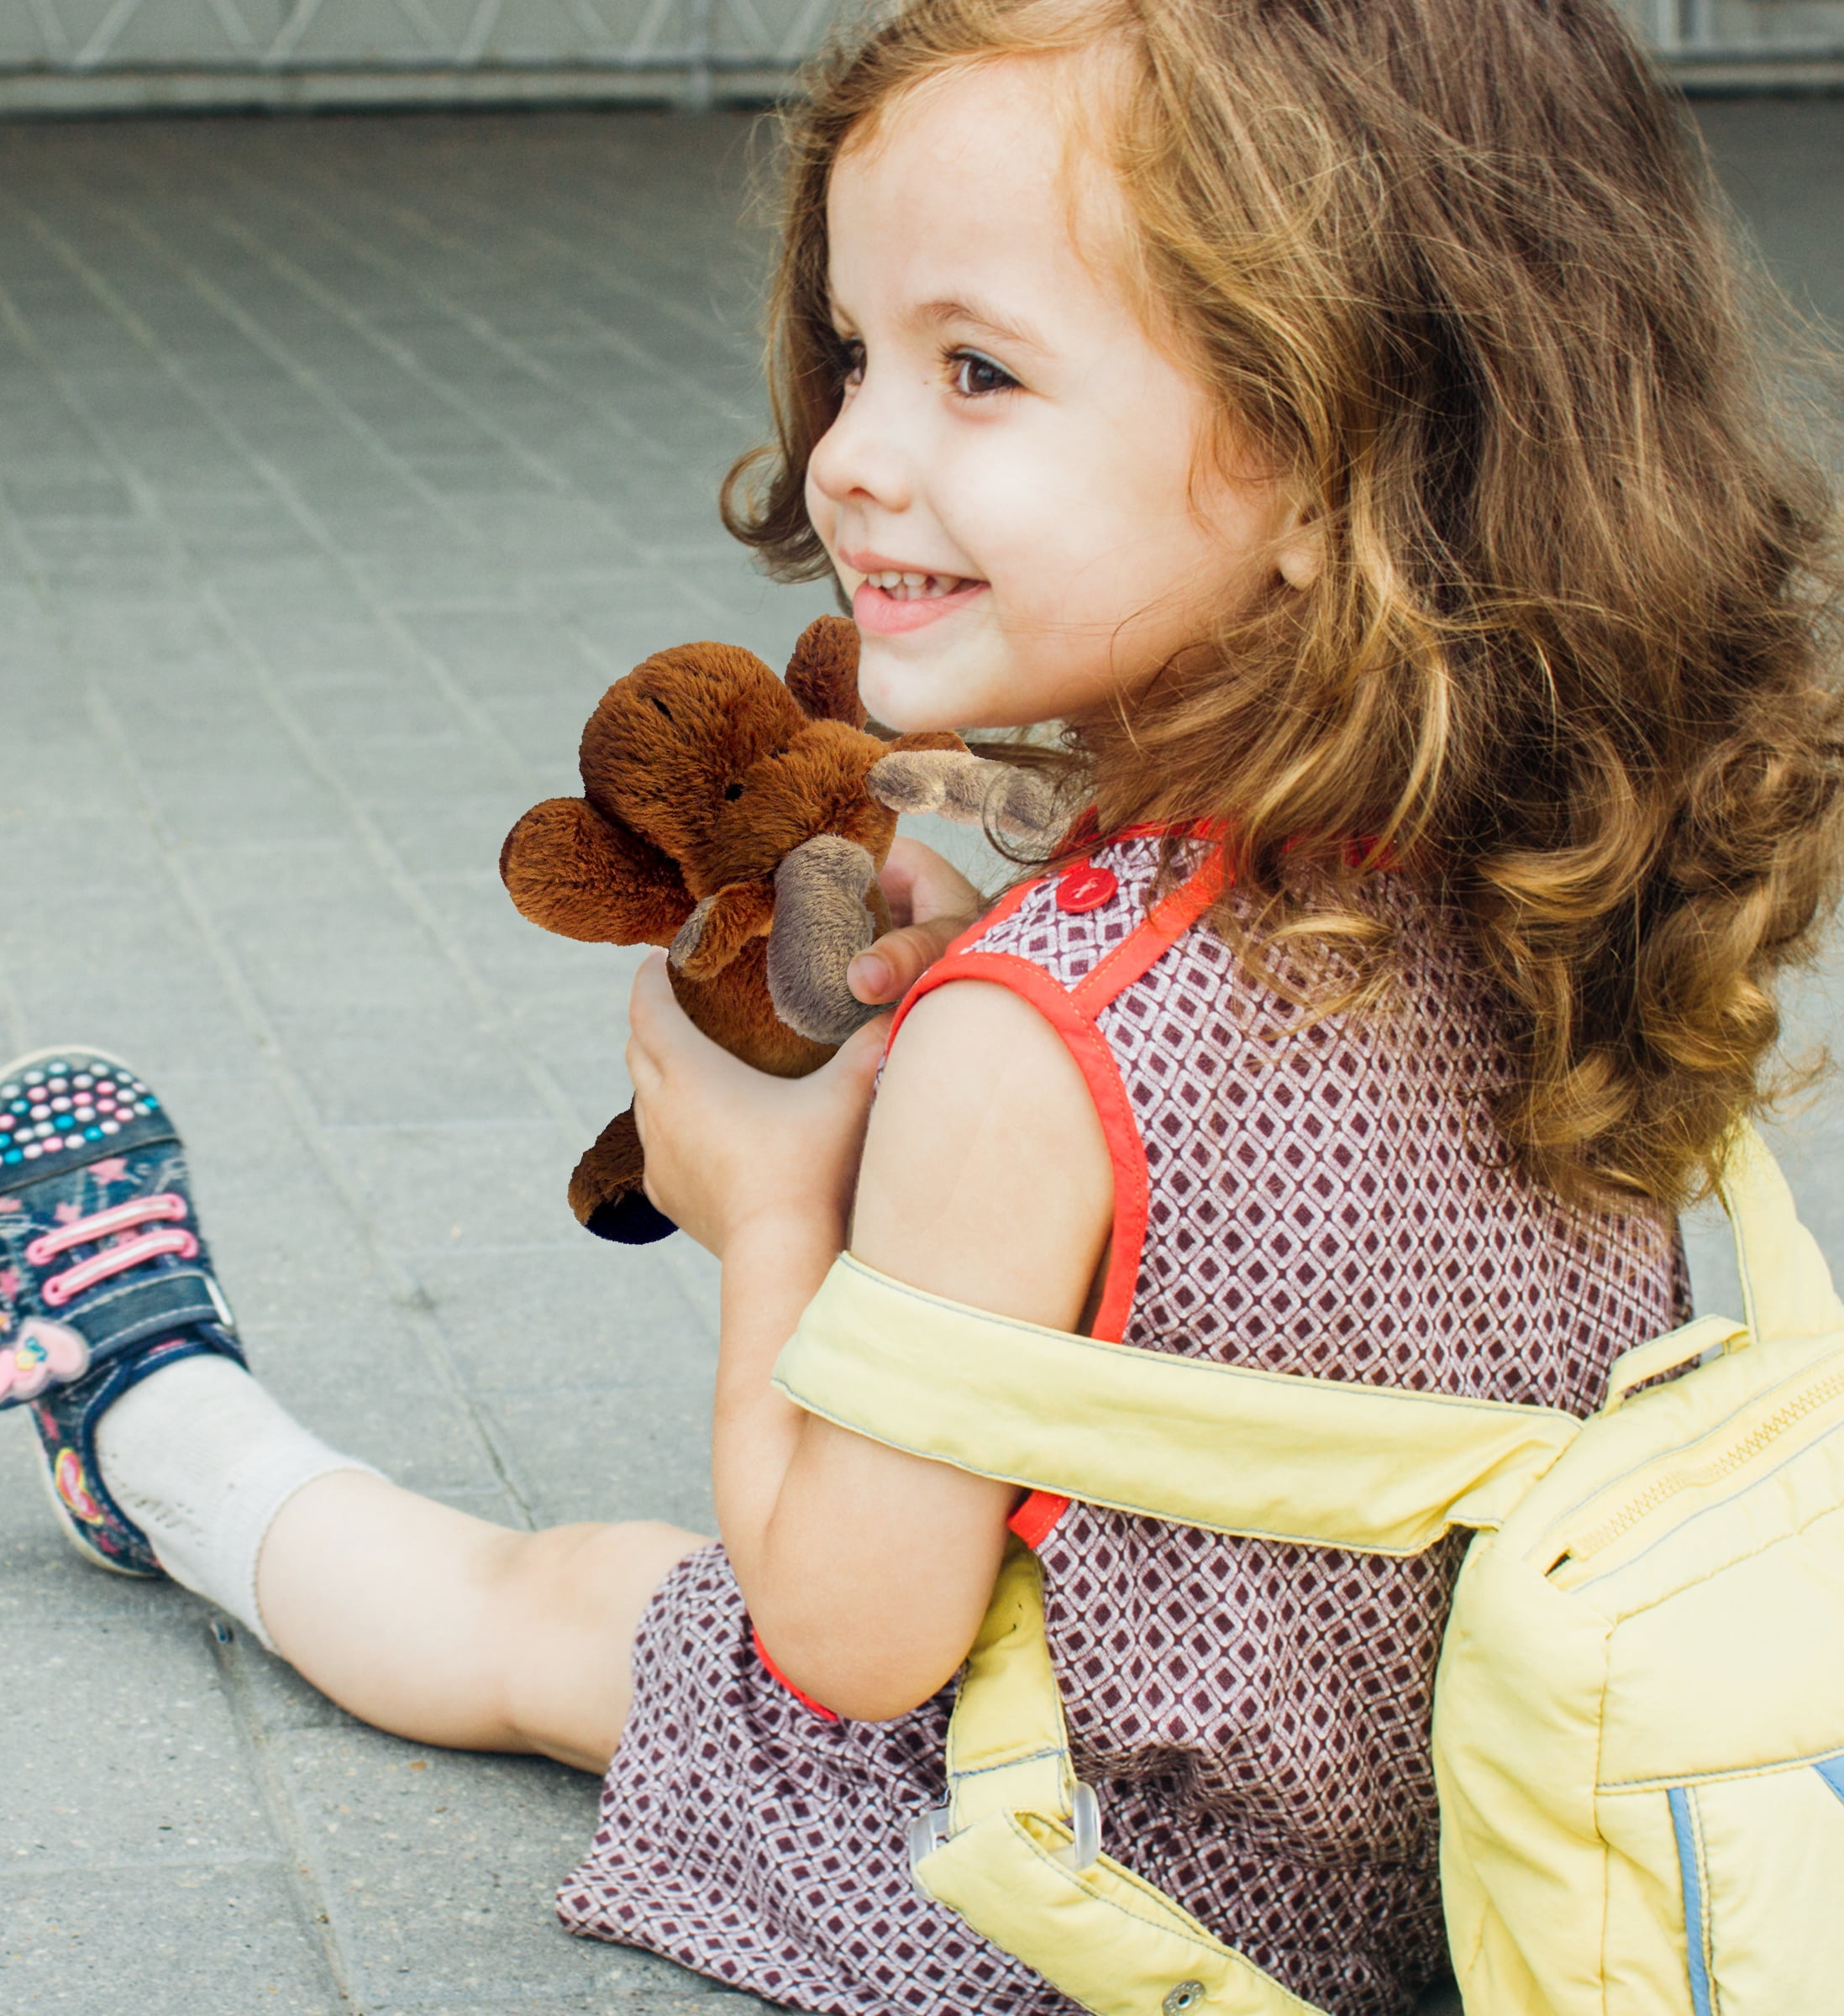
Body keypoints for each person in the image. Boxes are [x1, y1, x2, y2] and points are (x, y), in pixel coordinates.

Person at [3, 1, 1840, 2011]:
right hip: (1490, 1852)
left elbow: (847, 1642)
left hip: (1073, 1887)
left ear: (1338, 457)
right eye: (859, 354)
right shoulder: (1555, 865)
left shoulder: (1035, 1036)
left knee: (558, 1609)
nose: (851, 451)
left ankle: (154, 1430)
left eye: (976, 369)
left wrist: (768, 1208)